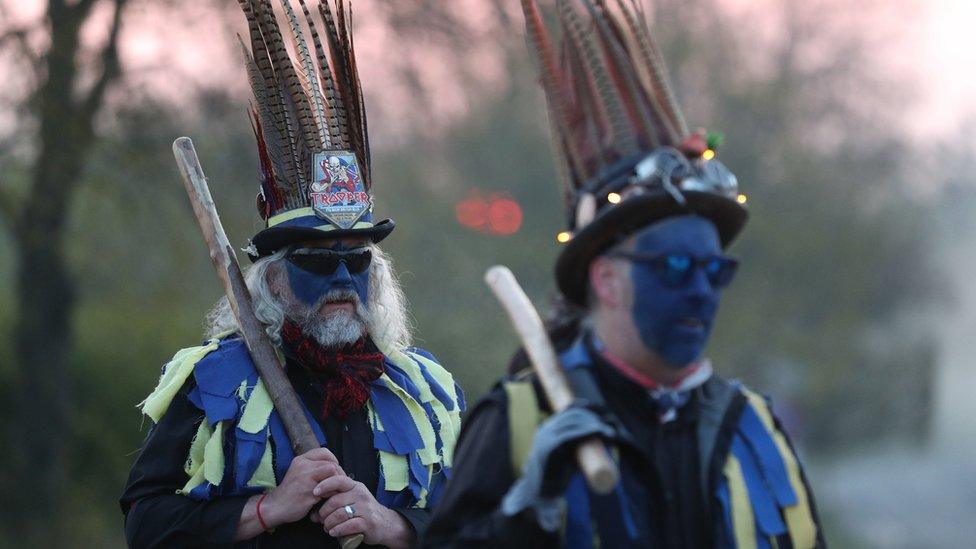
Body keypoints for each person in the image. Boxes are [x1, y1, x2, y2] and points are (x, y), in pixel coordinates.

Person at [422, 1, 822, 548]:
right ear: (606, 280)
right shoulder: (518, 422)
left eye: (715, 270)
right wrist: (525, 512)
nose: (702, 291)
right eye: (676, 268)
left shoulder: (753, 426)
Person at [120, 1, 462, 547]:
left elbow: (479, 527)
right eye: (319, 263)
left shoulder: (427, 393)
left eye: (358, 262)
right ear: (275, 280)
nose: (343, 281)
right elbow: (145, 525)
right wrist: (266, 508)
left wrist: (394, 525)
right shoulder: (216, 383)